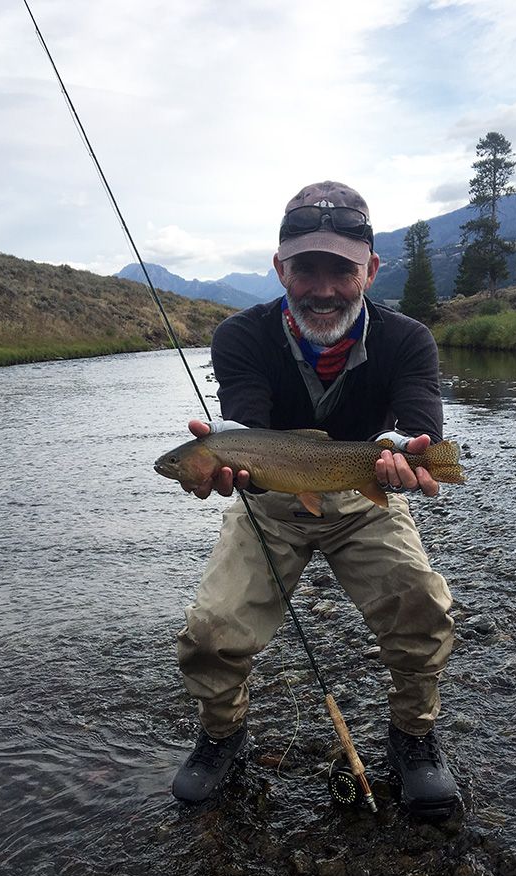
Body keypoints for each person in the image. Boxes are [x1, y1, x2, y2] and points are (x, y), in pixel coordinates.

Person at [172, 180, 458, 817]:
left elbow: (417, 420)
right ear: (280, 269)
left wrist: (403, 451)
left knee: (422, 608)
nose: (323, 289)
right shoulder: (241, 336)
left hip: (363, 491)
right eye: (306, 270)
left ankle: (413, 736)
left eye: (342, 270)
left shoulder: (408, 339)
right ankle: (222, 735)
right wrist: (229, 460)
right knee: (212, 630)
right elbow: (248, 427)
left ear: (370, 271)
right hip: (271, 499)